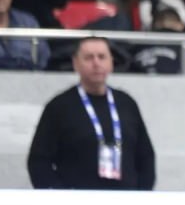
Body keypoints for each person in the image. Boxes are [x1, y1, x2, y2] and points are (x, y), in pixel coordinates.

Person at [27, 36, 156, 190]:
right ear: (76, 63)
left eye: (102, 57)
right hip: (77, 201)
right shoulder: (59, 107)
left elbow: (146, 156)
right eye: (88, 58)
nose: (96, 63)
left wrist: (142, 194)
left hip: (125, 199)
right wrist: (59, 196)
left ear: (111, 62)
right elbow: (38, 161)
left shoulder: (127, 103)